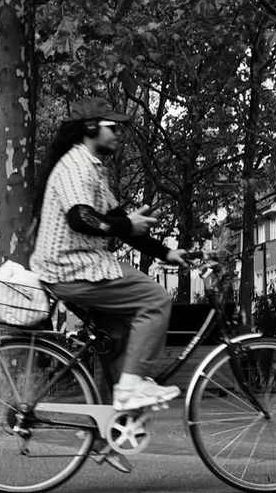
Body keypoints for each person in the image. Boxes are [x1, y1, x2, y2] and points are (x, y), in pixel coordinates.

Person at [29, 97, 188, 411]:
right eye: (112, 127)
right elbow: (81, 217)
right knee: (155, 300)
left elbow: (122, 225)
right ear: (91, 127)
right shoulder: (76, 164)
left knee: (115, 341)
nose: (119, 134)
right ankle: (131, 388)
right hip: (70, 268)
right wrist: (125, 223)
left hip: (79, 267)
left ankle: (106, 431)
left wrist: (167, 253)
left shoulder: (94, 169)